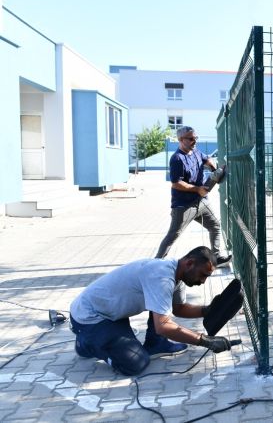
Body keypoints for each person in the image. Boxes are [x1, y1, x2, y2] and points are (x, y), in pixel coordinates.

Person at [69, 246, 238, 376]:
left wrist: (206, 310)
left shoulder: (177, 273)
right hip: (90, 317)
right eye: (202, 275)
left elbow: (178, 309)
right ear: (189, 263)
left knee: (159, 305)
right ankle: (86, 344)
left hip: (112, 314)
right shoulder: (162, 278)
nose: (203, 281)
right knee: (136, 363)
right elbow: (163, 326)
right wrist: (204, 341)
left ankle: (156, 344)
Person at [155, 126, 231, 267]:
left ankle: (217, 258)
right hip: (184, 206)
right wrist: (197, 189)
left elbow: (206, 159)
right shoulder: (177, 159)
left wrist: (214, 169)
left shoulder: (195, 151)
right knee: (172, 236)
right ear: (180, 140)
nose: (194, 141)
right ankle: (155, 264)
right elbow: (176, 183)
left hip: (201, 202)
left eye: (196, 138)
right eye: (190, 139)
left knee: (215, 225)